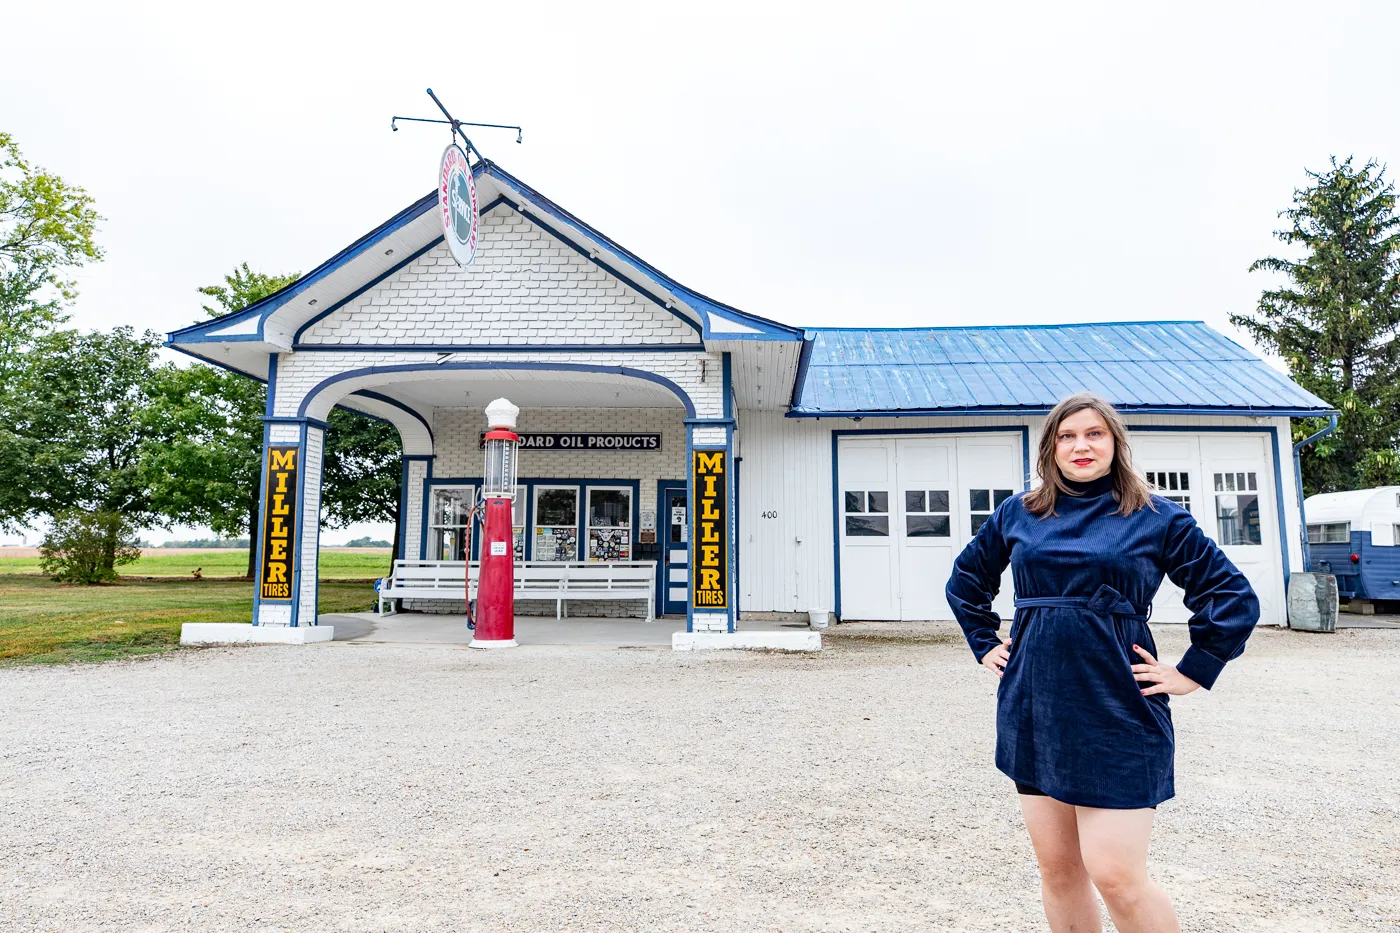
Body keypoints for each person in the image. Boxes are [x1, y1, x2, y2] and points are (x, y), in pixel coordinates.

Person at [945, 392, 1259, 933]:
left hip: (1118, 708)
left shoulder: (1156, 517)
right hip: (1035, 706)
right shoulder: (1019, 513)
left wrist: (1192, 670)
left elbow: (1232, 596)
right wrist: (984, 641)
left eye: (1094, 433)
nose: (1080, 445)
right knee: (1060, 871)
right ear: (1050, 448)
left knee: (1116, 875)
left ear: (1116, 443)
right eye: (1066, 436)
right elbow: (966, 582)